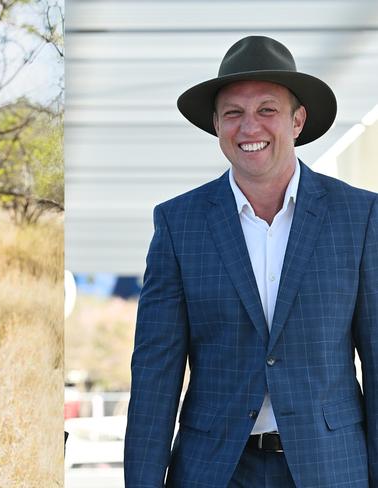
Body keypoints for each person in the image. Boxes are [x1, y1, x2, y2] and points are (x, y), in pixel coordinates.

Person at [124, 35, 378, 487]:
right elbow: (155, 373)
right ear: (217, 125)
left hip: (331, 466)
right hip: (214, 469)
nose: (249, 128)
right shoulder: (178, 223)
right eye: (233, 114)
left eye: (267, 110)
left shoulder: (359, 216)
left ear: (298, 120)